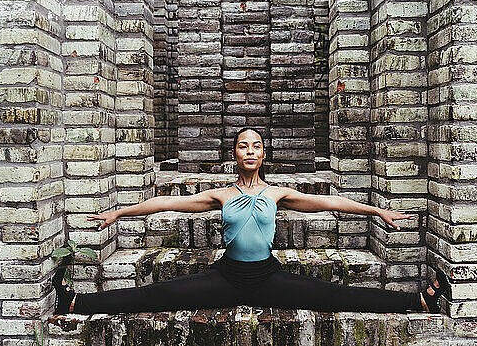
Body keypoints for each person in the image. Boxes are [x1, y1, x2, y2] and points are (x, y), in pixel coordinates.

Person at [53, 127, 448, 315]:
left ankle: (417, 300)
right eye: (243, 145)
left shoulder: (278, 193)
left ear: (263, 154)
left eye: (256, 146)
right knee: (155, 296)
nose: (249, 150)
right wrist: (120, 212)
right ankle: (76, 302)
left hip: (268, 277)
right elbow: (163, 204)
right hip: (225, 277)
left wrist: (377, 211)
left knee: (334, 295)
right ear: (235, 154)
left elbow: (328, 202)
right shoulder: (220, 195)